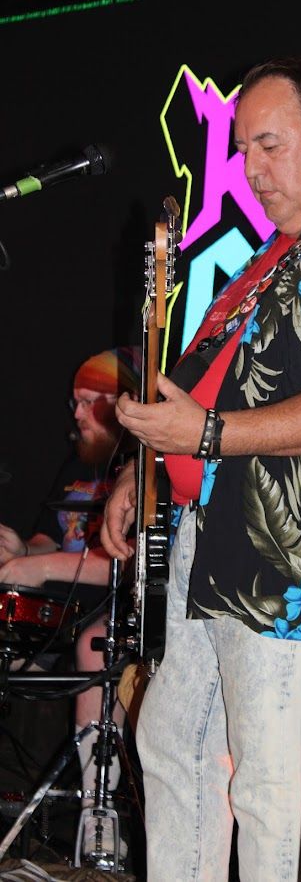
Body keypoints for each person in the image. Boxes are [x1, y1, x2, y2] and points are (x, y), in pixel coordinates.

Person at [101, 55, 301, 881]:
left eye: (269, 146)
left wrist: (204, 433)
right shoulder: (277, 256)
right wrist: (145, 469)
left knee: (268, 781)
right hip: (213, 540)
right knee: (173, 741)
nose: (250, 169)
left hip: (286, 560)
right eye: (243, 149)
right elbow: (202, 384)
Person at [0, 345, 141, 861]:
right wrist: (19, 550)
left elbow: (132, 562)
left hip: (112, 606)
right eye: (74, 402)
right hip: (57, 609)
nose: (76, 414)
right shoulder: (78, 463)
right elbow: (47, 539)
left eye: (88, 401)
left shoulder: (140, 471)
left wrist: (39, 567)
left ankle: (97, 815)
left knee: (94, 646)